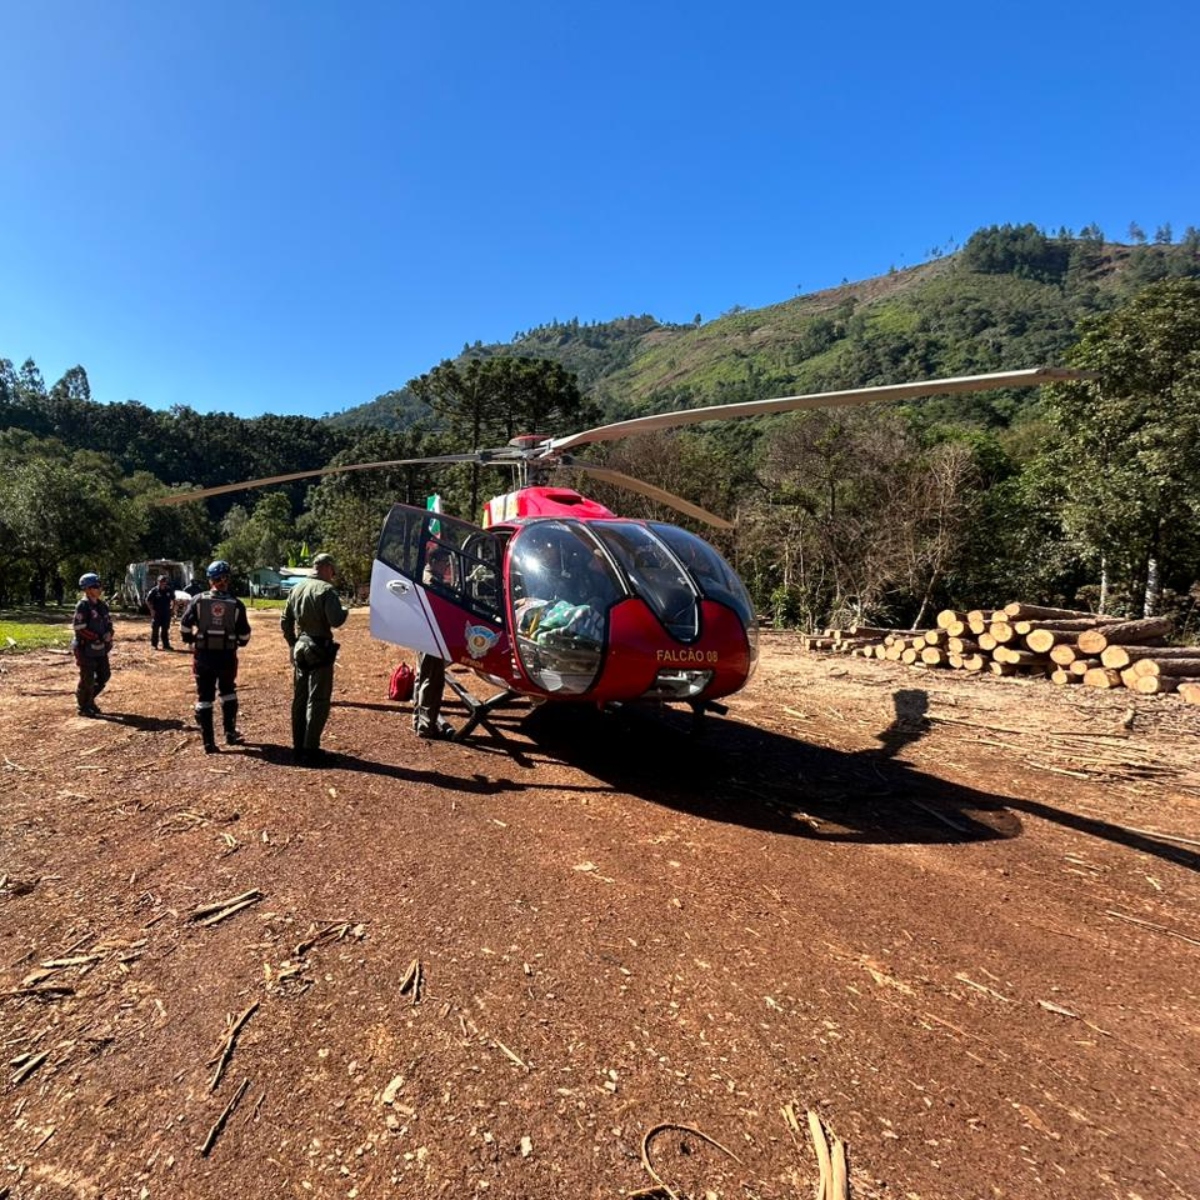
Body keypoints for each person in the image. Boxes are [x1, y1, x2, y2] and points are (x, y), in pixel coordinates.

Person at [280, 552, 348, 766]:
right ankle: (311, 749)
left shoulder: (297, 588)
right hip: (319, 647)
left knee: (299, 698)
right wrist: (345, 610)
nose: (332, 575)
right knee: (318, 700)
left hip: (301, 645)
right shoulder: (326, 590)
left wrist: (292, 643)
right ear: (327, 567)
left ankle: (297, 746)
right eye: (332, 571)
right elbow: (336, 620)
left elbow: (285, 620)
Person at [180, 560, 251, 754]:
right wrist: (236, 642)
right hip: (227, 657)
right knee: (228, 691)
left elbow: (185, 626)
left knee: (204, 697)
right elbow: (244, 636)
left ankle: (209, 743)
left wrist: (192, 640)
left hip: (203, 656)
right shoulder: (236, 604)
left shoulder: (198, 600)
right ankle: (230, 734)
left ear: (210, 579)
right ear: (227, 579)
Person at [413, 547, 455, 740]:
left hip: (424, 634)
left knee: (422, 677)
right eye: (445, 563)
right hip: (431, 636)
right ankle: (426, 725)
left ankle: (419, 721)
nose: (446, 567)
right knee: (432, 680)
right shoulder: (431, 581)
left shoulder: (427, 577)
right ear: (435, 562)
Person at [71, 572, 113, 717]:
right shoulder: (83, 606)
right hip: (84, 648)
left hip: (100, 648)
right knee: (87, 677)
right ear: (87, 589)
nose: (100, 588)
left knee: (104, 675)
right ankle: (84, 706)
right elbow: (79, 628)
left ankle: (88, 699)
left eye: (100, 585)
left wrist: (109, 633)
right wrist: (98, 637)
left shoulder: (102, 605)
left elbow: (108, 623)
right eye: (96, 586)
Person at [147, 574, 175, 650]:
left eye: (164, 581)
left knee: (165, 629)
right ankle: (154, 645)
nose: (163, 583)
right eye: (161, 581)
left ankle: (166, 645)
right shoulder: (154, 591)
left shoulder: (169, 590)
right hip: (157, 613)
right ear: (158, 582)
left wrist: (172, 608)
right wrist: (151, 610)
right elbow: (148, 601)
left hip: (166, 613)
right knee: (155, 629)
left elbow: (173, 599)